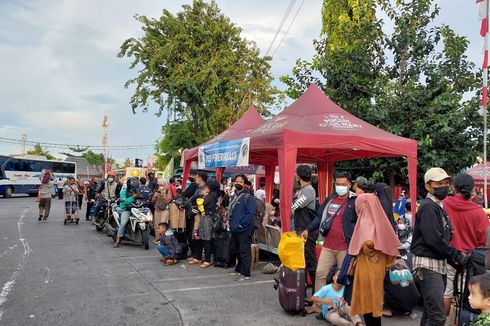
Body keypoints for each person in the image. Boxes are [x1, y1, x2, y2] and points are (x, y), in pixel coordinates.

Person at [411, 167, 470, 326]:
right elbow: (433, 240)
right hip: (428, 265)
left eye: (445, 182)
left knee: (430, 313)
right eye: (438, 183)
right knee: (437, 317)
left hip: (436, 264)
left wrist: (454, 258)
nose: (443, 186)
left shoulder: (437, 206)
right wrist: (456, 255)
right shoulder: (429, 207)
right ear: (428, 186)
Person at [348, 192, 401, 326]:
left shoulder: (366, 219)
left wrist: (367, 251)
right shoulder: (380, 220)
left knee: (367, 301)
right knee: (375, 298)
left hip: (368, 266)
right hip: (379, 266)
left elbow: (368, 241)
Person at [442, 173, 490, 315]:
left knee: (447, 291)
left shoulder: (444, 205)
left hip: (448, 255)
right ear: (472, 189)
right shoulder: (478, 212)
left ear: (453, 188)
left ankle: (441, 322)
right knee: (468, 295)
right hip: (469, 260)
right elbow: (484, 240)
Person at [303, 171, 357, 294]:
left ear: (349, 185)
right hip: (328, 245)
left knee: (343, 278)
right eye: (337, 184)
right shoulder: (330, 199)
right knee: (320, 274)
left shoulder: (354, 202)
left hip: (345, 247)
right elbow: (319, 217)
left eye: (343, 184)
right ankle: (318, 305)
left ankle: (340, 306)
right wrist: (308, 229)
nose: (340, 187)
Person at [291, 165, 318, 293]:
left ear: (298, 177)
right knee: (304, 262)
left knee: (310, 262)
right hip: (303, 229)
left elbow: (295, 206)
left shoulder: (307, 190)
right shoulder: (306, 190)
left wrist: (295, 197)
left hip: (307, 231)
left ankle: (316, 294)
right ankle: (304, 292)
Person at [228, 174, 256, 281]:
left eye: (240, 182)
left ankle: (246, 273)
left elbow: (250, 213)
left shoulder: (248, 197)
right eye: (237, 181)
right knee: (237, 250)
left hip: (244, 229)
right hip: (234, 228)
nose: (238, 183)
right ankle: (239, 269)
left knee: (244, 251)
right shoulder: (234, 196)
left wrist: (241, 224)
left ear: (244, 184)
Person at [190, 180, 220, 268]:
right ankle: (198, 257)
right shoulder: (210, 195)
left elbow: (203, 206)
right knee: (199, 238)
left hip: (207, 219)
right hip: (203, 218)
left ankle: (207, 260)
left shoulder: (212, 196)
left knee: (206, 239)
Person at [113, 177, 142, 248]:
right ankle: (118, 240)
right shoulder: (124, 191)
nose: (134, 188)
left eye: (135, 187)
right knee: (123, 223)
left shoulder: (137, 191)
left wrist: (141, 198)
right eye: (133, 187)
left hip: (136, 209)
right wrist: (133, 197)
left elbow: (141, 199)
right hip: (126, 209)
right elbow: (125, 201)